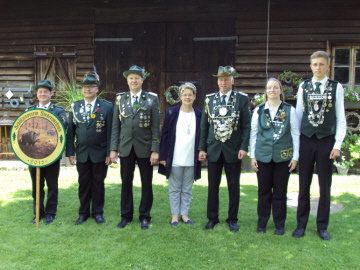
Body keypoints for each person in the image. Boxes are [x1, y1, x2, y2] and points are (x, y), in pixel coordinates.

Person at [293, 51, 346, 240]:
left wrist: (337, 144)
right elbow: (298, 116)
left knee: (325, 186)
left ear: (327, 66)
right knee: (303, 184)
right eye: (315, 64)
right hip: (306, 139)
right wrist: (296, 145)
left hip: (326, 141)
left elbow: (340, 118)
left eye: (321, 64)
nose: (318, 67)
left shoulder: (336, 87)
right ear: (310, 66)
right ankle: (301, 225)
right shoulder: (304, 86)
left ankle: (322, 226)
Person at [198, 66, 251, 232]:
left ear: (232, 80)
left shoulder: (242, 99)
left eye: (226, 79)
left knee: (233, 186)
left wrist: (244, 147)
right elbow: (204, 127)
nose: (223, 83)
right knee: (213, 186)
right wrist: (202, 148)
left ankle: (232, 219)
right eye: (220, 79)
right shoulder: (210, 99)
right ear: (217, 81)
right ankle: (212, 218)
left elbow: (246, 126)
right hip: (214, 148)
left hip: (233, 149)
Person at [110, 65, 160, 230]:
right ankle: (126, 216)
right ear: (127, 80)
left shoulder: (151, 98)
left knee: (146, 183)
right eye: (131, 78)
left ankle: (145, 216)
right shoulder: (120, 99)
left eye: (137, 78)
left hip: (145, 147)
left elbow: (156, 127)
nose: (134, 81)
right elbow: (115, 126)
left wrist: (155, 149)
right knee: (126, 183)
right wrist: (113, 149)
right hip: (125, 147)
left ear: (142, 80)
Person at [250, 78, 300, 235]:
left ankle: (279, 225)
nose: (272, 90)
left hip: (283, 157)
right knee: (263, 191)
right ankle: (262, 224)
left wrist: (295, 157)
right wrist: (252, 156)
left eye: (275, 87)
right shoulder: (259, 110)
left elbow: (295, 134)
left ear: (280, 90)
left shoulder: (289, 110)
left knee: (280, 192)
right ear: (266, 91)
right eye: (269, 88)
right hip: (263, 156)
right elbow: (253, 133)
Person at [66, 73, 113, 225]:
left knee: (98, 184)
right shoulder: (75, 107)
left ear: (96, 89)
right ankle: (83, 213)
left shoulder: (107, 107)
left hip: (100, 153)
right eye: (85, 87)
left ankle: (98, 213)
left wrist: (109, 153)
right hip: (82, 153)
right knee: (83, 184)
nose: (87, 90)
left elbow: (110, 132)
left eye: (91, 87)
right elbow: (71, 132)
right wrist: (71, 153)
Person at [158, 82, 202, 226]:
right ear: (181, 96)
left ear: (194, 97)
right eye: (185, 95)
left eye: (190, 95)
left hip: (191, 158)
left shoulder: (199, 114)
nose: (187, 97)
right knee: (175, 189)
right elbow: (164, 135)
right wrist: (163, 157)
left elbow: (202, 136)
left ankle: (185, 215)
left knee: (187, 189)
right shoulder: (172, 112)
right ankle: (175, 216)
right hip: (175, 158)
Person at [27, 79, 67, 225]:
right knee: (36, 186)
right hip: (33, 155)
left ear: (50, 94)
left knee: (52, 185)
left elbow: (63, 127)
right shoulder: (29, 111)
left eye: (45, 91)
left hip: (51, 154)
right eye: (40, 92)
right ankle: (38, 213)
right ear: (37, 94)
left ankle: (51, 213)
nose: (43, 94)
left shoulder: (59, 111)